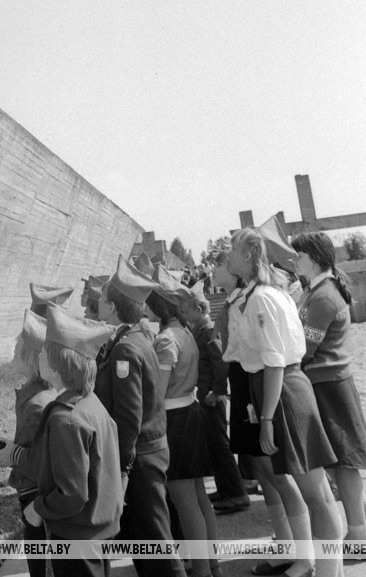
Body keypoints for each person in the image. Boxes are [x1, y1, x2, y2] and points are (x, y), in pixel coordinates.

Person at [225, 228, 344, 577]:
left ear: (247, 255)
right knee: (317, 493)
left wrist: (265, 419)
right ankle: (328, 570)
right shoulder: (271, 292)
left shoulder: (261, 298)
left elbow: (275, 360)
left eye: (232, 252)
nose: (229, 258)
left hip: (283, 392)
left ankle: (328, 571)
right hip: (285, 388)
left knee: (317, 496)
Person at [0, 303, 123, 577]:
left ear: (56, 362)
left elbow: (72, 493)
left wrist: (38, 508)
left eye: (45, 352)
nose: (39, 356)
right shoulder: (89, 403)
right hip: (95, 531)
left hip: (75, 536)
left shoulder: (66, 418)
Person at [291, 232, 366, 553]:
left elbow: (305, 348)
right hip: (329, 383)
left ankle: (359, 535)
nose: (294, 260)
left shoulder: (323, 296)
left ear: (315, 259)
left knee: (344, 461)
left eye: (299, 255)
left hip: (329, 385)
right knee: (340, 461)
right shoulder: (317, 290)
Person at [94, 257, 187, 577]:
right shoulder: (133, 338)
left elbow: (129, 416)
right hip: (145, 453)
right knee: (143, 542)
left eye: (103, 300)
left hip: (140, 458)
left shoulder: (126, 349)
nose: (99, 304)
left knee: (155, 543)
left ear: (113, 306)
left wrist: (121, 469)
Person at [145, 270, 220, 577]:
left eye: (149, 304)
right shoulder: (185, 331)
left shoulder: (165, 339)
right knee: (199, 496)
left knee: (183, 499)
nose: (145, 309)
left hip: (174, 420)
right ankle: (211, 563)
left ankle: (201, 570)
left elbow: (158, 391)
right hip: (191, 412)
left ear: (159, 307)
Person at [178, 284, 250, 515]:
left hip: (212, 397)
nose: (186, 316)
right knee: (214, 445)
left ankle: (236, 494)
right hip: (207, 395)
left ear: (199, 309)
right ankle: (225, 489)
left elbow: (220, 363)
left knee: (221, 447)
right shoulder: (201, 330)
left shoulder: (209, 330)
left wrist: (217, 392)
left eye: (188, 312)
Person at [2, 308, 57, 577]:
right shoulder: (38, 396)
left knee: (39, 558)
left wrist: (10, 455)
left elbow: (41, 464)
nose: (13, 354)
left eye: (17, 350)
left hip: (34, 494)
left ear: (29, 358)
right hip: (33, 490)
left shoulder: (36, 404)